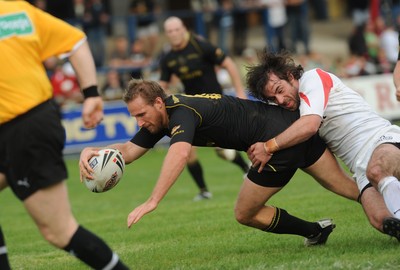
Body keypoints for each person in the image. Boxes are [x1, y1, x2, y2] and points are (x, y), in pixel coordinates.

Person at [80, 79, 362, 247]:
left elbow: (178, 155)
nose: (139, 122)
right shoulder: (160, 118)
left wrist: (152, 201)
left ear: (157, 102)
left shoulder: (181, 113)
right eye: (134, 118)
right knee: (352, 189)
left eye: (141, 114)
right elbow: (128, 151)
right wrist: (94, 150)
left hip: (274, 145)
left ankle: (313, 231)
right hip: (292, 129)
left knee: (245, 212)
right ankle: (388, 213)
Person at [0, 2, 129, 269]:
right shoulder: (16, 10)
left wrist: (92, 94)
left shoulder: (15, 10)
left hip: (24, 127)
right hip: (24, 123)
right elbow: (77, 41)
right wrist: (91, 93)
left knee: (59, 232)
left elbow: (75, 41)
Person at [245, 49, 400, 240]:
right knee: (380, 219)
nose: (280, 100)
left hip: (384, 140)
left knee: (377, 170)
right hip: (361, 170)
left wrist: (268, 147)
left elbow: (310, 126)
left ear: (290, 76)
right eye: (272, 99)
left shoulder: (313, 78)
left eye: (279, 90)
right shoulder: (296, 111)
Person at [159, 16, 250, 201]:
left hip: (215, 104)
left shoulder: (201, 45)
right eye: (170, 31)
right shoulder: (168, 58)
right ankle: (203, 191)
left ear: (184, 28)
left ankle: (247, 168)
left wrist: (240, 91)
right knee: (186, 149)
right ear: (166, 34)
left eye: (176, 29)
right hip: (190, 107)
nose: (174, 34)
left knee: (222, 148)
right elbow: (162, 85)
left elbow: (229, 64)